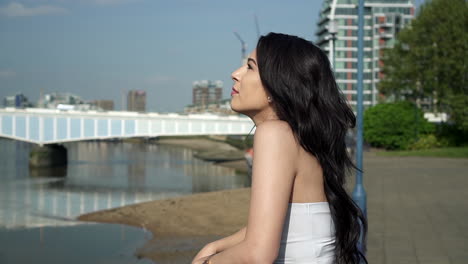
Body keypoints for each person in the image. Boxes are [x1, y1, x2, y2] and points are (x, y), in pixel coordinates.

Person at [191, 32, 367, 264]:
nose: (235, 74)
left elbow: (258, 255)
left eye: (250, 68)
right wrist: (216, 246)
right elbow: (287, 223)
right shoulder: (298, 139)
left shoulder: (274, 134)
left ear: (277, 86)